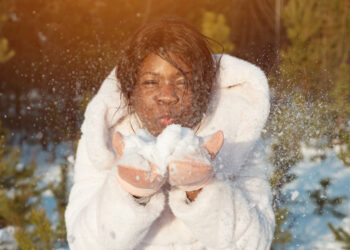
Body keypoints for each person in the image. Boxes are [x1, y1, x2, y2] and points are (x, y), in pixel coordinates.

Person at [65, 18, 275, 250]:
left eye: (182, 82)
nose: (167, 95)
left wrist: (200, 187)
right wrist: (134, 192)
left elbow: (255, 244)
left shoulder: (236, 133)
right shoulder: (107, 138)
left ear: (202, 85)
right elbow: (82, 244)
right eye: (151, 82)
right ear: (130, 88)